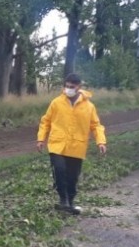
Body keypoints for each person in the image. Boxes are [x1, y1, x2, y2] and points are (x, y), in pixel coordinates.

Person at [36, 73, 107, 214]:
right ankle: (63, 200)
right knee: (59, 170)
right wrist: (41, 139)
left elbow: (96, 126)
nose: (68, 89)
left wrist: (101, 142)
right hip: (57, 145)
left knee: (72, 177)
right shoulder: (56, 103)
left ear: (79, 87)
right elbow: (46, 121)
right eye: (66, 86)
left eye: (72, 87)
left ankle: (70, 202)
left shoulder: (89, 107)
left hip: (77, 147)